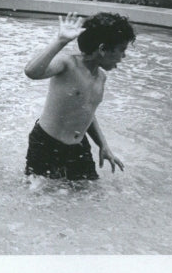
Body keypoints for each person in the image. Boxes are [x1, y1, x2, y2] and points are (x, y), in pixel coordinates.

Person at [23, 12, 135, 181]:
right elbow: (31, 72)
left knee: (91, 196)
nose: (123, 56)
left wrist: (103, 145)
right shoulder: (68, 63)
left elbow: (87, 112)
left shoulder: (101, 77)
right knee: (39, 196)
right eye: (121, 50)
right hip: (46, 144)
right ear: (103, 49)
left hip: (78, 147)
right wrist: (60, 41)